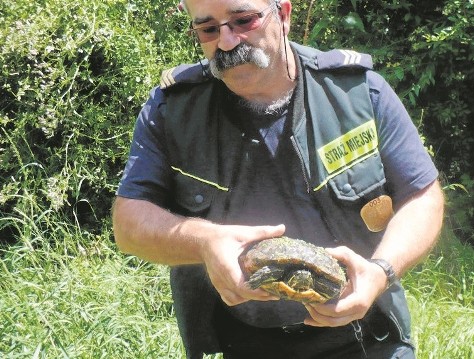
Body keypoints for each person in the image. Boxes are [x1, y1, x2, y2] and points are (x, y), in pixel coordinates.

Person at [112, 0, 445, 357]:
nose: (226, 42)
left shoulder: (357, 93)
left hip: (367, 336)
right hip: (244, 342)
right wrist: (205, 242)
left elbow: (423, 197)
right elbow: (128, 224)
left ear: (283, 14)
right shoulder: (172, 110)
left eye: (243, 21)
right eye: (208, 29)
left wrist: (380, 271)